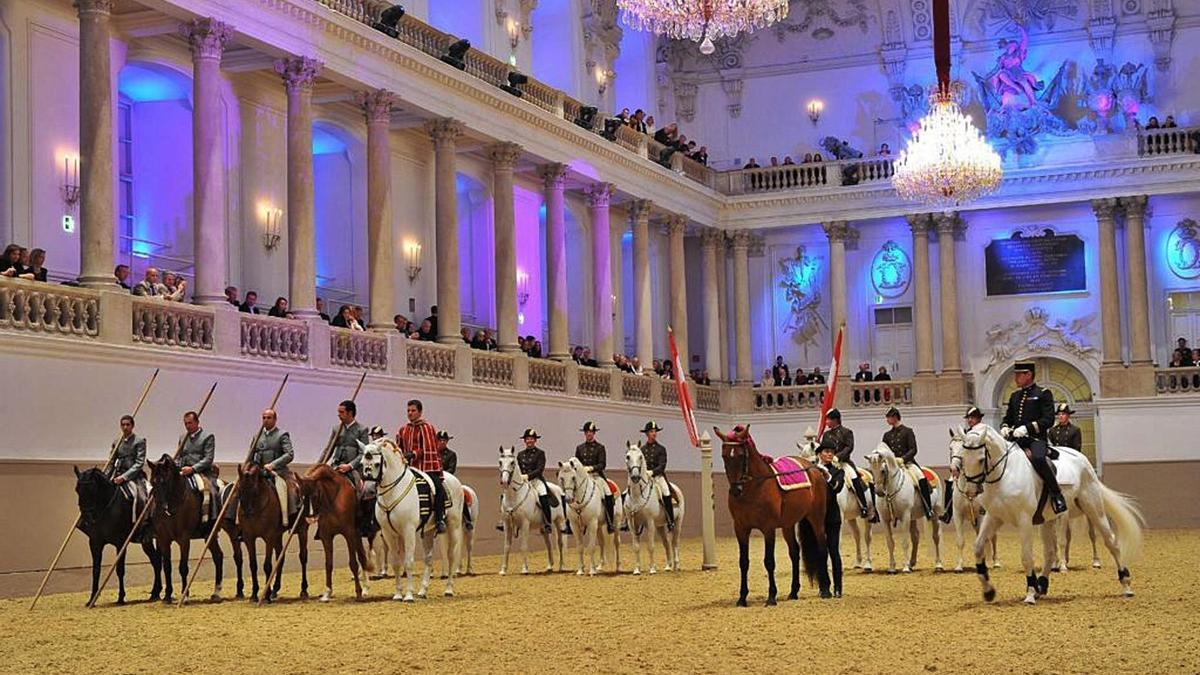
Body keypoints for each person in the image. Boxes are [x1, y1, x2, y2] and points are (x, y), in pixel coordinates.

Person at [1001, 361, 1066, 519]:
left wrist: (1027, 428)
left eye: (1019, 375)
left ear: (1028, 375)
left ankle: (1057, 496)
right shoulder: (1015, 396)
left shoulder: (1043, 393)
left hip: (1035, 440)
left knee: (1038, 459)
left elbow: (1048, 420)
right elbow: (1008, 418)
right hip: (1016, 442)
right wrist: (1004, 426)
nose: (1016, 378)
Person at [399, 399, 446, 533]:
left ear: (420, 412)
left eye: (413, 410)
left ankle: (439, 519)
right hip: (409, 467)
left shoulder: (427, 427)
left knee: (438, 487)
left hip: (426, 465)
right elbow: (399, 446)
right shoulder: (403, 429)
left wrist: (413, 454)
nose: (410, 413)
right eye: (408, 411)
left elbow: (428, 447)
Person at [882, 406, 933, 518]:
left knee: (921, 478)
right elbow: (884, 451)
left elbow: (913, 449)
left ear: (895, 417)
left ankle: (928, 508)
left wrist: (903, 459)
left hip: (908, 463)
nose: (887, 420)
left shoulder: (908, 431)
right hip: (893, 466)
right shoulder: (887, 435)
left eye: (888, 417)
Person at [822, 409, 871, 520]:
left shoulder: (846, 432)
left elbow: (849, 447)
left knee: (854, 478)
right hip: (829, 463)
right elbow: (823, 448)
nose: (826, 422)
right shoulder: (826, 435)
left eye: (828, 419)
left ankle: (863, 506)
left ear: (835, 420)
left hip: (843, 463)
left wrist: (837, 457)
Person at [252, 408, 297, 518]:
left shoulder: (282, 435)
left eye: (269, 418)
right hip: (260, 473)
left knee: (291, 492)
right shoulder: (257, 436)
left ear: (275, 419)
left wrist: (273, 465)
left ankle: (291, 517)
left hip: (279, 472)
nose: (266, 420)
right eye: (264, 418)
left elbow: (289, 454)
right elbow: (250, 455)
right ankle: (238, 523)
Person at [178, 411, 220, 521]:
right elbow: (179, 456)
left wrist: (193, 468)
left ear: (197, 422)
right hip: (184, 472)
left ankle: (212, 521)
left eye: (190, 423)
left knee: (213, 493)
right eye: (186, 423)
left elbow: (208, 458)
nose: (187, 426)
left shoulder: (208, 437)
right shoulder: (183, 437)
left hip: (203, 473)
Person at [575, 421, 615, 533]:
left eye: (591, 432)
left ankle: (610, 522)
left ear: (594, 433)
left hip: (597, 476)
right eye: (587, 432)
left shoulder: (600, 447)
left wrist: (591, 468)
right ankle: (570, 523)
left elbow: (602, 464)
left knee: (608, 494)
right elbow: (576, 464)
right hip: (583, 478)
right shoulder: (580, 448)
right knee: (572, 492)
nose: (589, 434)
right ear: (585, 433)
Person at [517, 428, 559, 534]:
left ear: (535, 440)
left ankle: (547, 523)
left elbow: (540, 469)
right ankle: (507, 520)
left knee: (543, 494)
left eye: (531, 439)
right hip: (523, 482)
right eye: (527, 439)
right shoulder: (520, 455)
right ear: (524, 441)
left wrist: (527, 476)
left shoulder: (540, 453)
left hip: (536, 481)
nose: (529, 441)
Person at [817, 437, 844, 598]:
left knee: (834, 551)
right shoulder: (812, 471)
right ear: (820, 454)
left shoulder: (838, 471)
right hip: (816, 518)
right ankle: (824, 586)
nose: (829, 454)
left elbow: (837, 487)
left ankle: (838, 587)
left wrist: (827, 475)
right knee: (821, 552)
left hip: (832, 516)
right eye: (826, 452)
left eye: (832, 452)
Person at [640, 421, 675, 531]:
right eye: (651, 431)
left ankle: (670, 520)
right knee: (629, 492)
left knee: (666, 492)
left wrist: (652, 472)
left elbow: (662, 466)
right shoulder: (642, 450)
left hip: (658, 477)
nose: (654, 433)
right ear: (647, 434)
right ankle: (627, 520)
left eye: (655, 431)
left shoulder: (661, 449)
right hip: (645, 478)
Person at [107, 415, 148, 507]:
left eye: (127, 425)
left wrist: (124, 477)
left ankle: (145, 519)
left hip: (134, 476)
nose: (125, 427)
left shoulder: (139, 441)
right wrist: (106, 475)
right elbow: (111, 461)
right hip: (118, 473)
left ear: (132, 426)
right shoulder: (117, 442)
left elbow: (139, 463)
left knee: (143, 497)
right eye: (123, 425)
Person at [327, 400, 369, 490]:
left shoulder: (362, 429)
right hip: (336, 465)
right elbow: (328, 449)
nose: (338, 415)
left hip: (353, 468)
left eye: (341, 412)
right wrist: (319, 463)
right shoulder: (336, 429)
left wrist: (350, 466)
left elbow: (363, 453)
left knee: (362, 491)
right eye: (338, 412)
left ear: (350, 413)